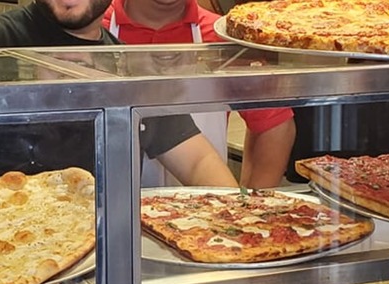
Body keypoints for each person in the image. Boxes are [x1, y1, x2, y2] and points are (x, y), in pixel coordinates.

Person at [0, 0, 238, 188]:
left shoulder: (125, 64)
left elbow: (198, 161)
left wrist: (236, 222)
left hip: (106, 262)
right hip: (5, 259)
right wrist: (18, 236)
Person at [101, 0, 296, 189]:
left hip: (207, 202)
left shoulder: (223, 38)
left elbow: (274, 125)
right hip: (106, 206)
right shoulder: (96, 31)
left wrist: (251, 204)